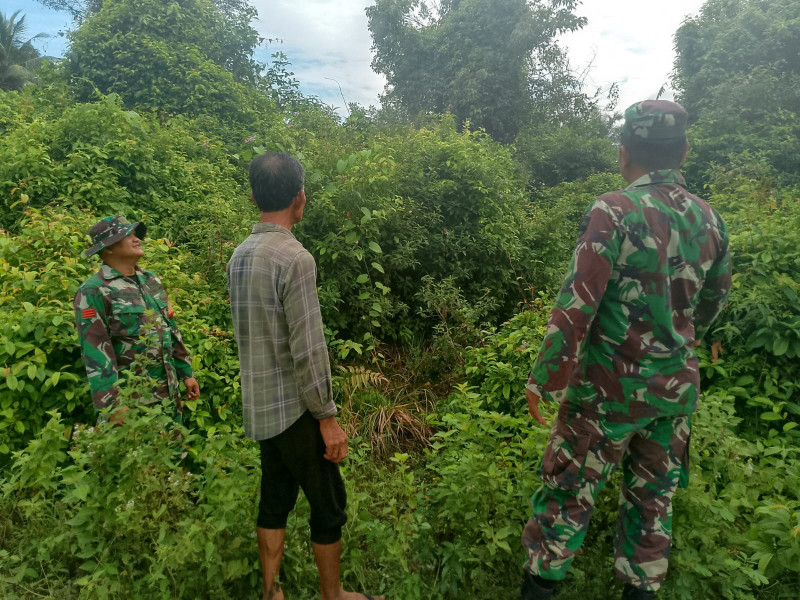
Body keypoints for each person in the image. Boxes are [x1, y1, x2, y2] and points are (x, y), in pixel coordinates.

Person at [519, 100, 732, 600]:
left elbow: (579, 302)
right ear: (682, 151)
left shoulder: (613, 210)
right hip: (673, 393)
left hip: (604, 395)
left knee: (565, 502)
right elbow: (712, 303)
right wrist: (676, 342)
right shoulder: (710, 219)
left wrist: (546, 377)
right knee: (652, 510)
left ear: (623, 154)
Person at [227, 153, 383, 600]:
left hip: (259, 406)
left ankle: (271, 591)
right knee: (328, 504)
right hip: (295, 410)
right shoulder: (295, 258)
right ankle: (333, 597)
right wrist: (327, 417)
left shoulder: (239, 256)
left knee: (275, 497)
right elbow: (309, 350)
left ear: (254, 196)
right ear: (300, 198)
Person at [74, 216, 200, 421]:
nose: (137, 239)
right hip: (132, 405)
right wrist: (112, 406)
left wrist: (186, 372)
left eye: (135, 235)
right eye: (127, 236)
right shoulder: (94, 291)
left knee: (174, 452)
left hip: (169, 396)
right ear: (108, 248)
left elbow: (170, 327)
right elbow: (96, 352)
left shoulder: (151, 280)